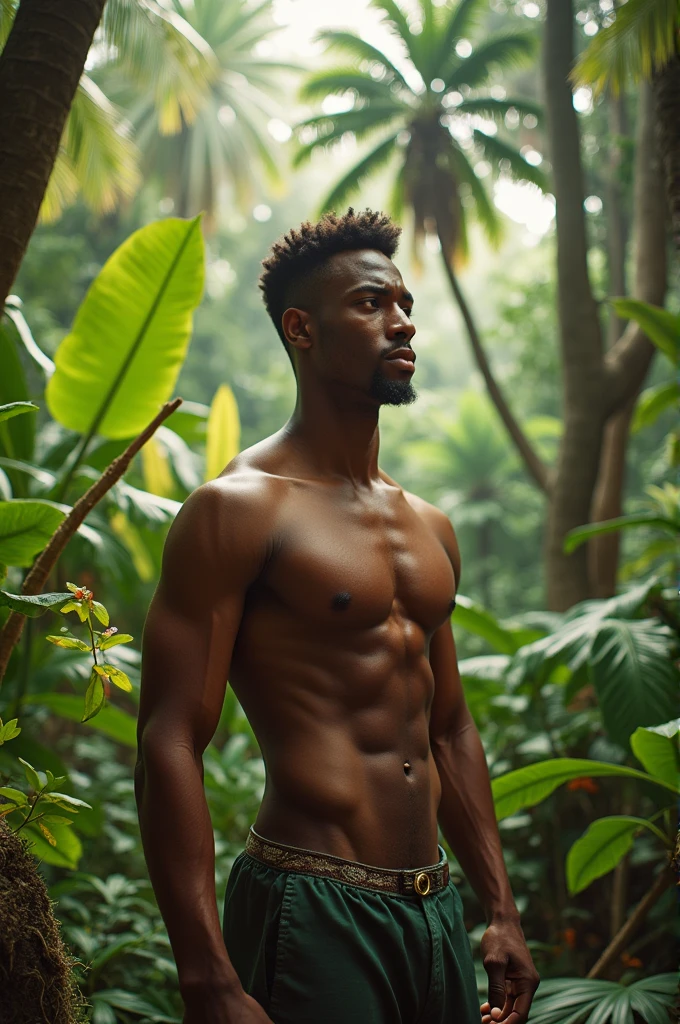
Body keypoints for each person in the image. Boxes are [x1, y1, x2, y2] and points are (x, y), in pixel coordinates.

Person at [134, 208, 540, 1024]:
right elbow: (170, 737)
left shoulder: (428, 527)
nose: (401, 323)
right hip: (310, 902)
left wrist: (500, 909)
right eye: (369, 304)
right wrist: (207, 976)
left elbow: (450, 726)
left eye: (404, 304)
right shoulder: (237, 511)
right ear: (301, 329)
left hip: (432, 908)